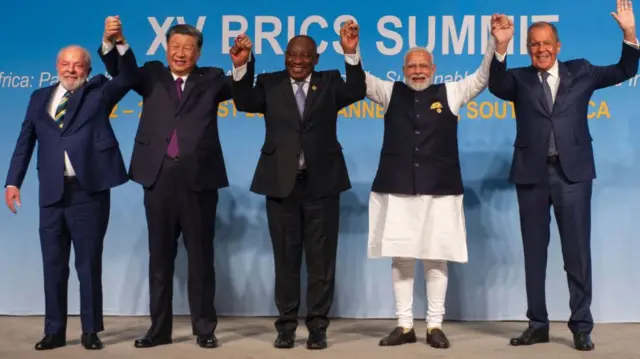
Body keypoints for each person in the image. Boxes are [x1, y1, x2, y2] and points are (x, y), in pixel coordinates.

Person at [488, 0, 639, 351]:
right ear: (528, 49)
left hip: (573, 175)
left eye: (546, 43)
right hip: (532, 176)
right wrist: (500, 47)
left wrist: (630, 34)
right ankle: (537, 324)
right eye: (534, 44)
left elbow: (624, 70)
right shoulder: (519, 79)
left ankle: (581, 326)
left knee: (577, 254)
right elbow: (496, 85)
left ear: (558, 47)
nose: (540, 49)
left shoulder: (581, 71)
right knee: (534, 254)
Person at [363, 15, 506, 349]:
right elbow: (361, 81)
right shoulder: (388, 92)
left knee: (435, 257)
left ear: (434, 67)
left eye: (422, 65)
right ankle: (403, 325)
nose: (417, 71)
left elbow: (482, 78)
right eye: (411, 66)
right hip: (397, 188)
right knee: (400, 257)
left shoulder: (452, 92)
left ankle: (434, 326)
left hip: (440, 189)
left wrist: (494, 43)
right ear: (402, 69)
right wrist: (352, 53)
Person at [97, 19, 238, 349]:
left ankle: (204, 329)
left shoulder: (212, 78)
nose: (181, 53)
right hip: (157, 179)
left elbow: (240, 89)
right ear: (166, 49)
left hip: (199, 182)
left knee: (201, 260)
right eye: (175, 47)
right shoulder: (150, 75)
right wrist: (115, 40)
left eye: (188, 48)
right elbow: (123, 70)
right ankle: (158, 330)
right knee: (159, 259)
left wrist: (242, 62)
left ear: (198, 52)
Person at [230, 21, 366, 350]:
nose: (298, 60)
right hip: (280, 185)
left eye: (305, 56)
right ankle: (286, 326)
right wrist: (240, 66)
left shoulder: (330, 82)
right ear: (285, 56)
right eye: (292, 54)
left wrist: (351, 53)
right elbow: (244, 101)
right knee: (286, 259)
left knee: (321, 261)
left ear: (316, 59)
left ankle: (318, 327)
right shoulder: (269, 82)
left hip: (322, 185)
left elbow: (357, 90)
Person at [4, 16, 136, 351]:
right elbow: (25, 142)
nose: (71, 69)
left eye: (78, 65)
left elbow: (129, 77)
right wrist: (12, 182)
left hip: (87, 192)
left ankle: (90, 330)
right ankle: (54, 331)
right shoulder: (38, 97)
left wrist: (117, 42)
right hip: (50, 192)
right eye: (65, 64)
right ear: (56, 66)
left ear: (88, 69)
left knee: (88, 264)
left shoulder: (99, 92)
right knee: (53, 265)